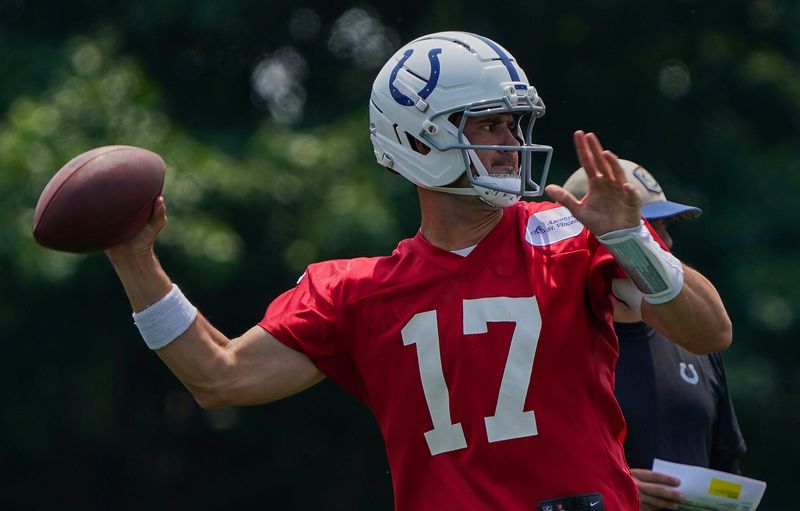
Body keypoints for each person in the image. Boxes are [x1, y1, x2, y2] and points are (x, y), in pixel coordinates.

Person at [104, 32, 732, 511]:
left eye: (514, 122)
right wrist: (134, 258)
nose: (511, 141)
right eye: (488, 123)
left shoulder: (569, 230)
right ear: (421, 138)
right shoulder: (355, 291)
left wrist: (630, 239)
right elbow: (220, 377)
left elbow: (709, 332)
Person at [564, 161, 746, 511]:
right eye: (643, 228)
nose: (665, 243)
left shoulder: (695, 340)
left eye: (662, 227)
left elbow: (726, 469)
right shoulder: (545, 344)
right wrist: (609, 491)